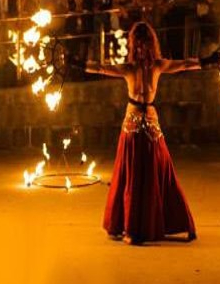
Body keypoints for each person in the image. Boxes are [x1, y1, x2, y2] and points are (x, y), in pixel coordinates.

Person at [86, 22, 208, 245]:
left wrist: (207, 62)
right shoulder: (129, 68)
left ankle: (174, 222)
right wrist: (78, 64)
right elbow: (102, 68)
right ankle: (130, 227)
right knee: (131, 175)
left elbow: (184, 65)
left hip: (151, 123)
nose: (142, 50)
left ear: (151, 46)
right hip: (131, 123)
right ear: (134, 46)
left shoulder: (159, 66)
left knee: (160, 172)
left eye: (145, 45)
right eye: (138, 46)